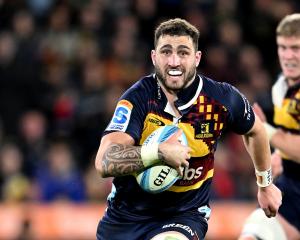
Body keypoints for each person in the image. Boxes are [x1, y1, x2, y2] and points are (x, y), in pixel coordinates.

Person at [95, 18, 282, 240]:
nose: (174, 61)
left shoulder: (221, 99)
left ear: (197, 58)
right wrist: (159, 153)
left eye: (183, 53)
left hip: (184, 215)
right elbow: (104, 162)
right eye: (166, 52)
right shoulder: (137, 100)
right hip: (125, 218)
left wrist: (265, 183)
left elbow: (255, 131)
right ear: (154, 57)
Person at [239, 13, 300, 240]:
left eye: (295, 48)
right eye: (283, 48)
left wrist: (266, 130)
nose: (288, 56)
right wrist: (279, 156)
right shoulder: (281, 87)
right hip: (292, 189)